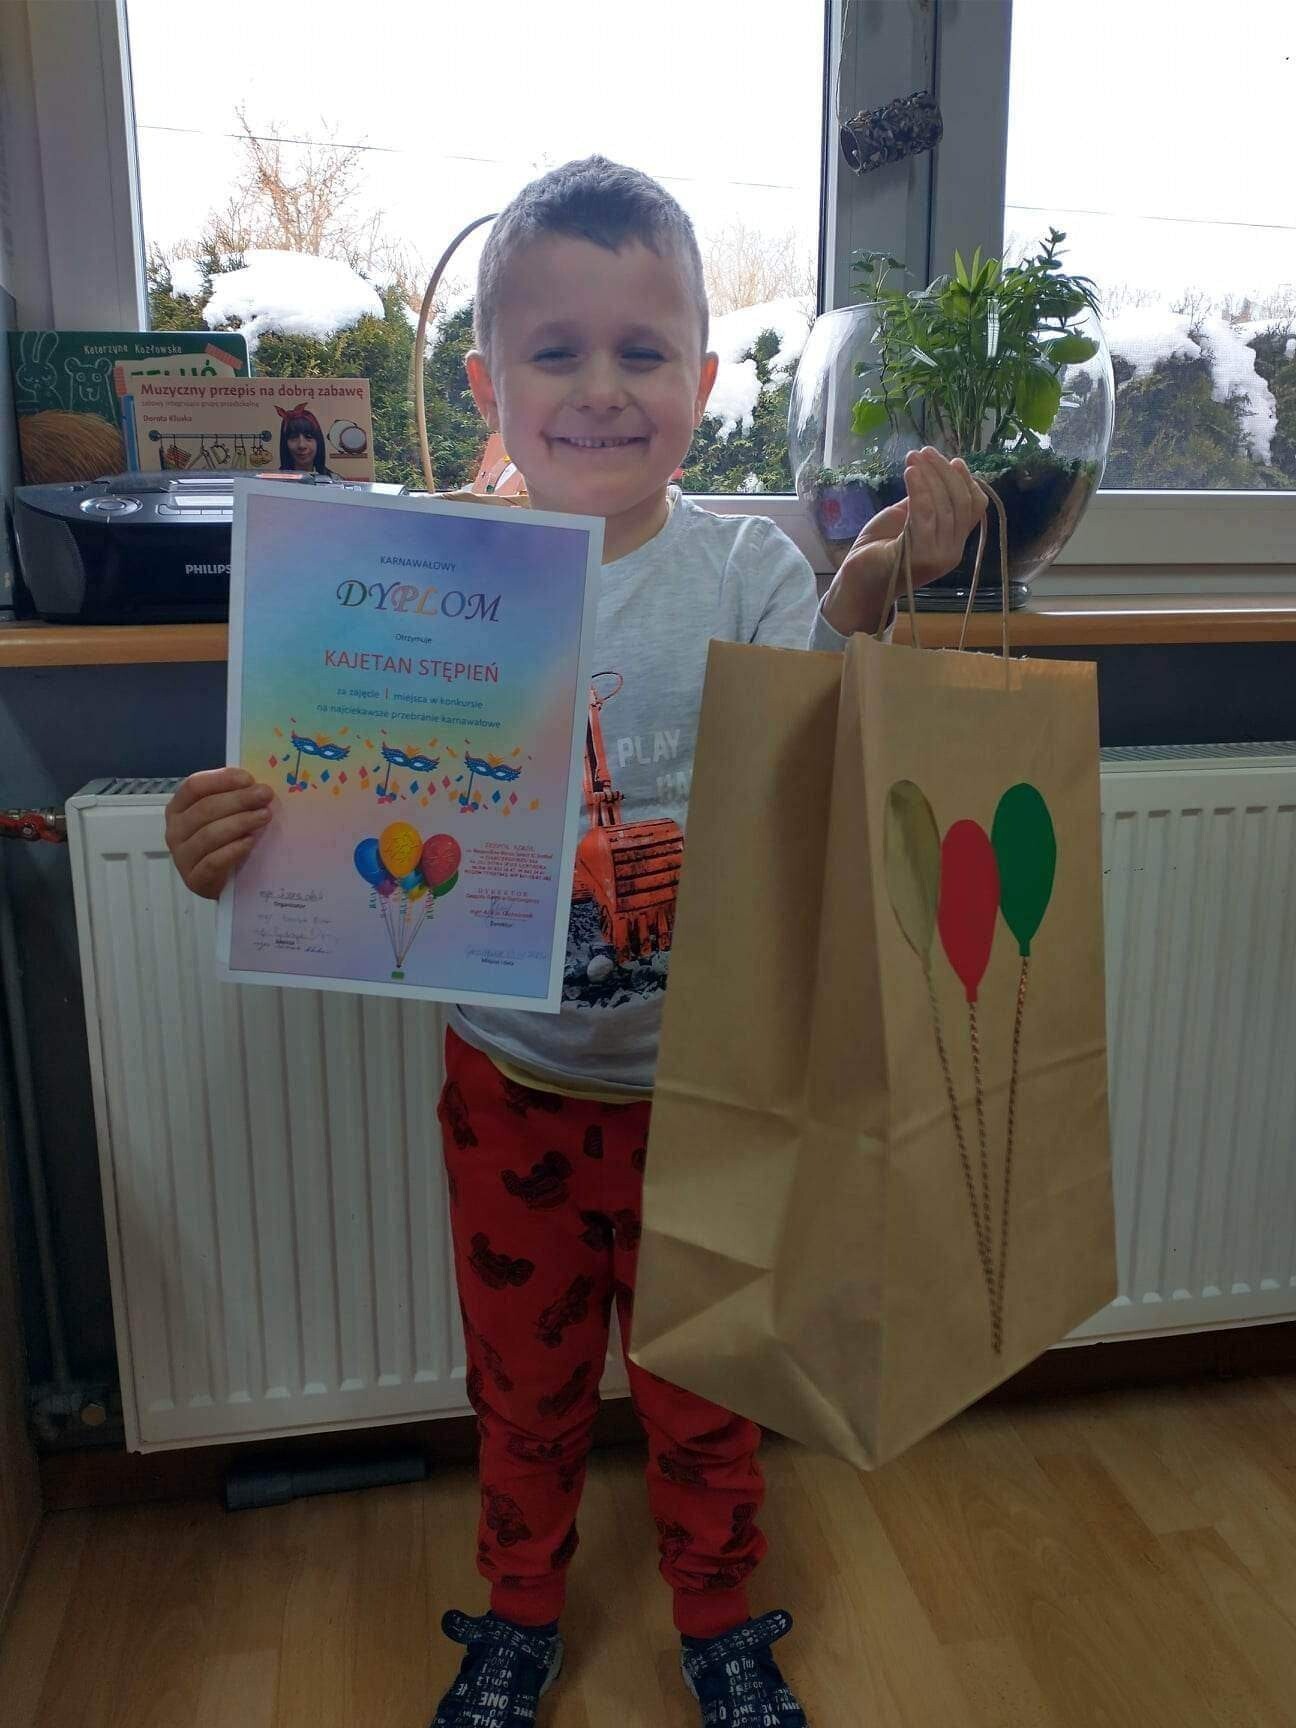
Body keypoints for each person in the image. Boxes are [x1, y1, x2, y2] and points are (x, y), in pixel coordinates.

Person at [164, 158, 985, 1728]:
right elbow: (331, 802)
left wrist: (884, 577)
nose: (603, 388)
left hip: (712, 1096)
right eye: (557, 352)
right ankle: (520, 1615)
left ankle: (721, 1619)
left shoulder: (748, 571)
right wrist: (237, 842)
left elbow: (824, 736)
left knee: (707, 1389)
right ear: (487, 385)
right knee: (523, 1393)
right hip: (512, 1091)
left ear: (704, 383)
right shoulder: (416, 589)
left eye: (643, 351)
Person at [276, 403, 336, 476]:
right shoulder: (274, 481)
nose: (302, 445)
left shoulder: (334, 481)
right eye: (294, 437)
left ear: (318, 442)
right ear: (285, 443)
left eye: (308, 437)